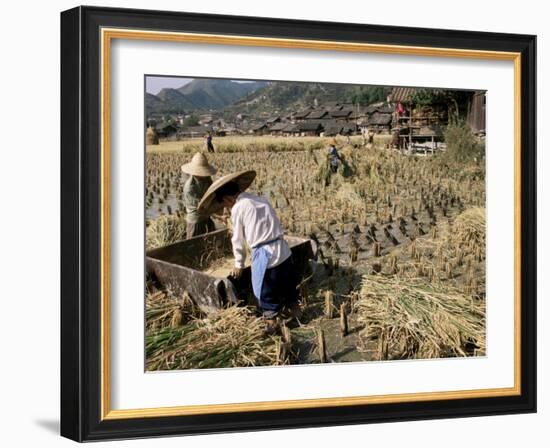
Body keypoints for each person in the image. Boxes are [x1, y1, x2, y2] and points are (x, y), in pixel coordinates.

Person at [198, 171, 300, 334]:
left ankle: (271, 327)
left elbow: (237, 238)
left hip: (266, 256)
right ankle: (298, 316)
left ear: (228, 199)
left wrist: (239, 264)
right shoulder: (260, 200)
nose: (227, 208)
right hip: (284, 251)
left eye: (226, 205)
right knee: (288, 287)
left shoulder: (239, 207)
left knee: (266, 294)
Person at [181, 152, 218, 239]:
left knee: (211, 241)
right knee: (193, 245)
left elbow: (212, 192)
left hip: (207, 216)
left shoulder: (207, 179)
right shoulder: (189, 188)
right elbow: (200, 208)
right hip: (195, 219)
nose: (203, 175)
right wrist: (218, 216)